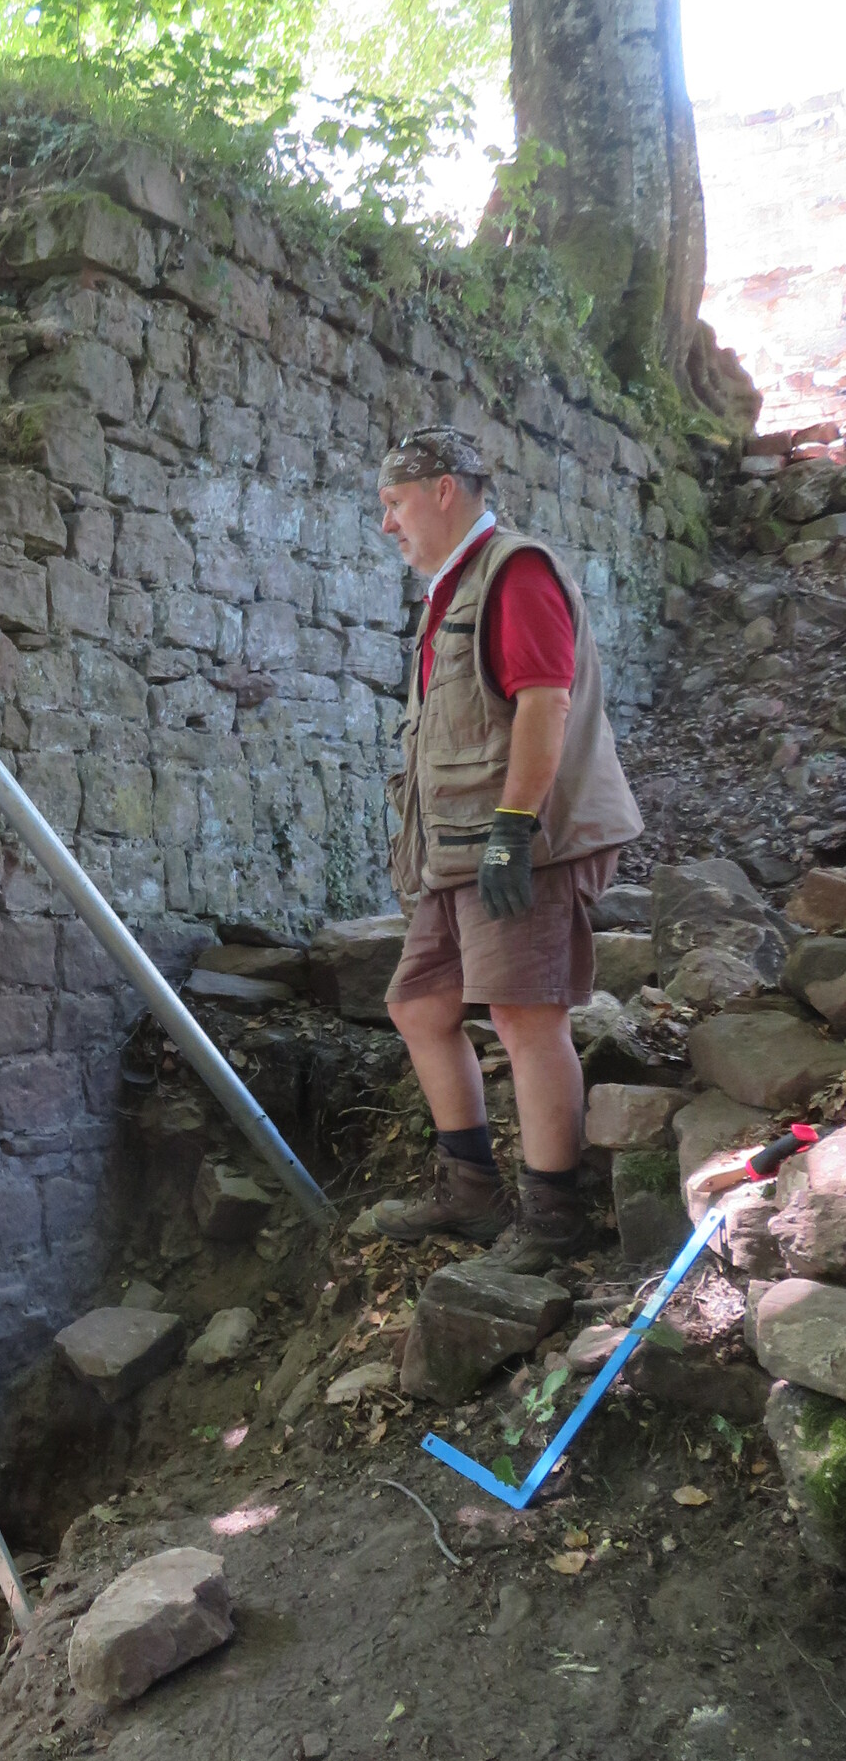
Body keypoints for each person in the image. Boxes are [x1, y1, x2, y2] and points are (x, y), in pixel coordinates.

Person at [367, 431, 643, 1270]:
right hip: (460, 850)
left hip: (520, 844)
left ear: (444, 490)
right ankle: (471, 1191)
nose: (387, 525)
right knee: (420, 1007)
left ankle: (554, 1216)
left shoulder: (515, 573)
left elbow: (543, 704)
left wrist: (513, 829)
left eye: (395, 503)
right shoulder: (455, 589)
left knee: (526, 1016)